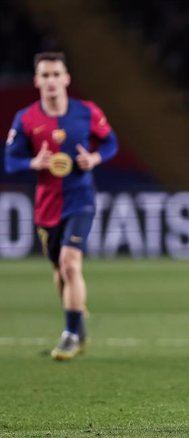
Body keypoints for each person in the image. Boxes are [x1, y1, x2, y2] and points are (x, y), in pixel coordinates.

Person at [4, 52, 118, 361]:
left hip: (81, 199)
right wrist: (33, 162)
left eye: (56, 74)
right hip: (47, 206)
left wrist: (94, 158)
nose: (51, 80)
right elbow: (10, 161)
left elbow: (110, 143)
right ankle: (78, 321)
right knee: (60, 271)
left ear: (66, 79)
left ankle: (70, 334)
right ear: (37, 81)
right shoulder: (26, 119)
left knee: (69, 263)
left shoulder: (86, 112)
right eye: (45, 75)